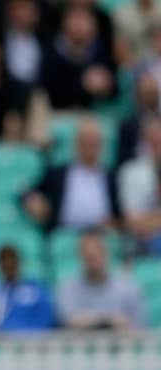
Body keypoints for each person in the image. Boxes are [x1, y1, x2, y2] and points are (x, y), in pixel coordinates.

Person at [22, 118, 119, 231]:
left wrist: (115, 222)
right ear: (77, 143)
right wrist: (32, 199)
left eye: (93, 142)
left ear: (101, 145)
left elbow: (120, 212)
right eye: (84, 141)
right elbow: (27, 190)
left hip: (100, 235)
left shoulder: (112, 176)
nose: (88, 146)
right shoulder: (58, 173)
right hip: (64, 232)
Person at [57, 230, 146, 330]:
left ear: (107, 253)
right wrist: (110, 320)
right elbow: (68, 322)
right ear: (80, 256)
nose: (94, 260)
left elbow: (139, 326)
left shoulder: (128, 287)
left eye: (97, 253)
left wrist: (91, 320)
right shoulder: (68, 288)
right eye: (89, 256)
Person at [118, 117, 161, 255]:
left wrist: (150, 219)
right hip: (143, 245)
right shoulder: (130, 172)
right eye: (153, 142)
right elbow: (134, 224)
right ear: (143, 142)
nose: (158, 146)